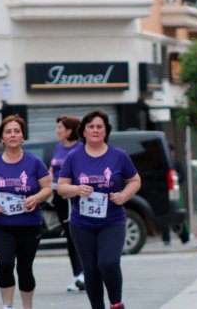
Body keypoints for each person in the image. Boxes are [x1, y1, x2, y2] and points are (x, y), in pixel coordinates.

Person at [57, 109, 141, 309]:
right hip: (82, 223)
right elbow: (61, 188)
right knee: (91, 269)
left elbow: (135, 180)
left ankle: (116, 303)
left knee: (108, 262)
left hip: (112, 221)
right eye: (91, 127)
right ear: (83, 132)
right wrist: (77, 189)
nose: (95, 130)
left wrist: (124, 195)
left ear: (106, 131)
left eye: (99, 127)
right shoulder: (73, 157)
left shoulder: (118, 156)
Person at [0, 114, 52, 309]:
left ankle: (27, 306)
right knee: (6, 264)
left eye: (17, 131)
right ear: (1, 138)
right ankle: (7, 305)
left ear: (22, 136)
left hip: (30, 224)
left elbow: (47, 188)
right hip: (1, 225)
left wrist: (36, 198)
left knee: (25, 268)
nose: (13, 135)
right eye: (8, 132)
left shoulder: (34, 162)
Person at [49, 115, 85, 292]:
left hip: (73, 196)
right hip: (58, 195)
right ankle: (77, 275)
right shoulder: (58, 147)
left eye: (60, 127)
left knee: (77, 235)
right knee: (69, 237)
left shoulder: (80, 148)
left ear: (69, 131)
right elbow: (52, 169)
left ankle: (85, 273)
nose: (57, 130)